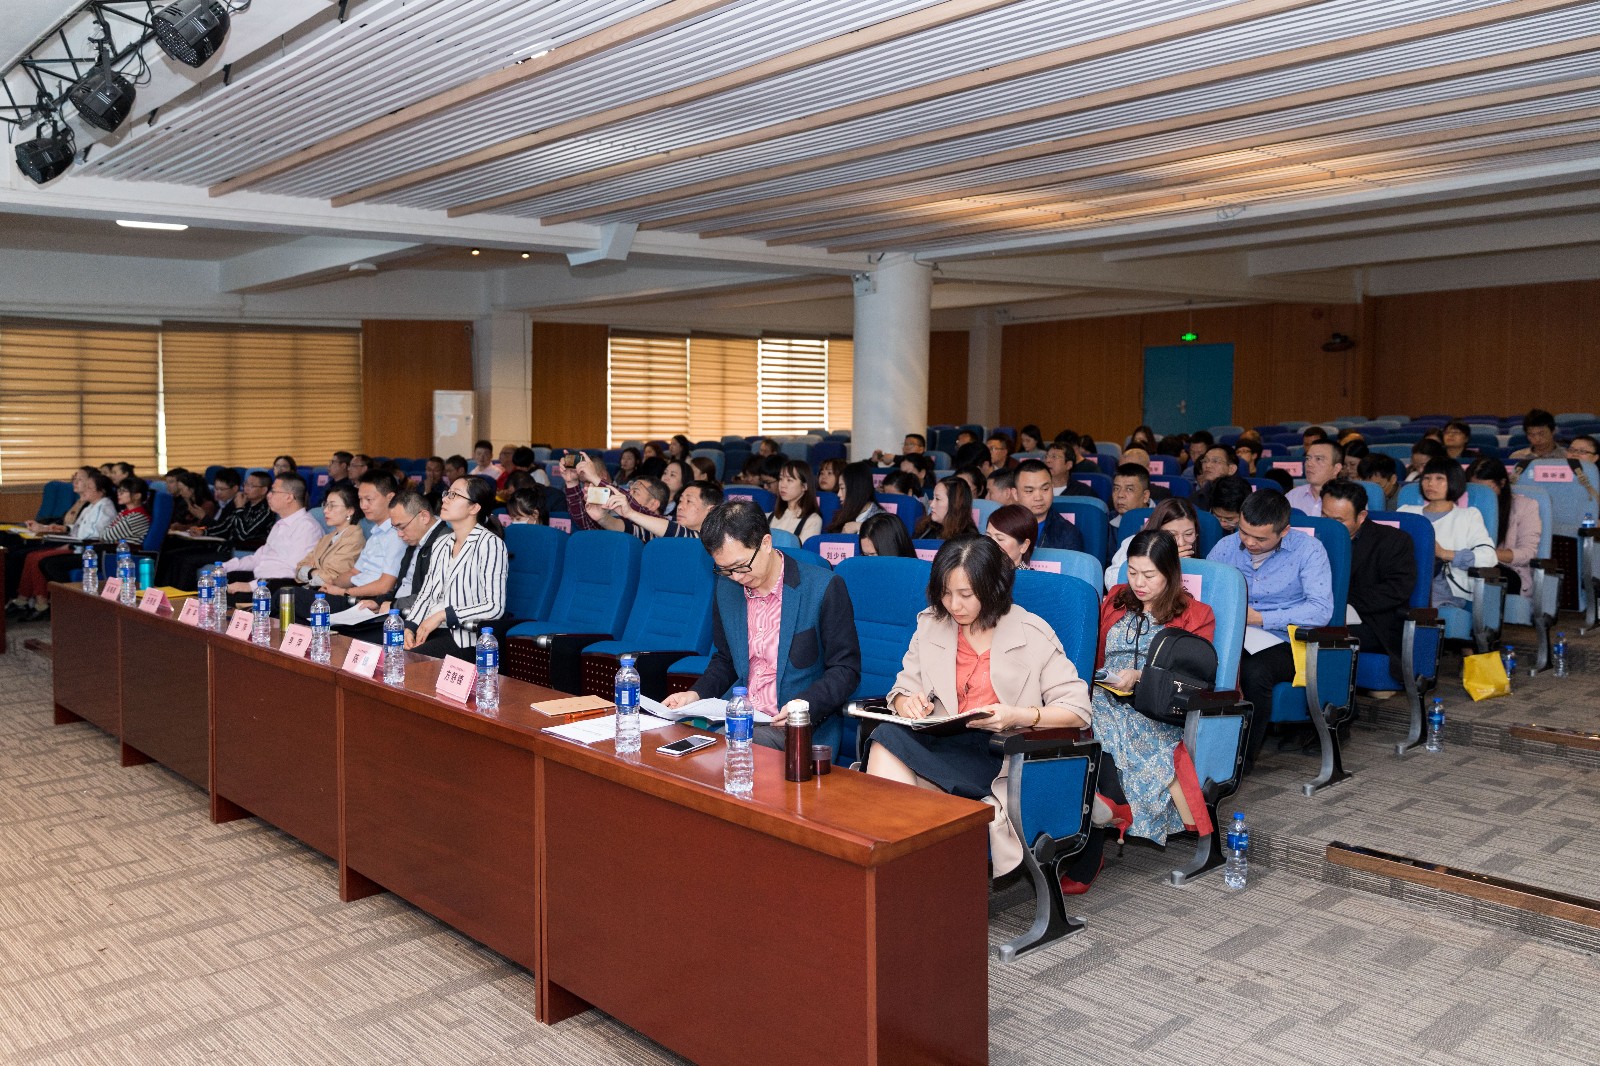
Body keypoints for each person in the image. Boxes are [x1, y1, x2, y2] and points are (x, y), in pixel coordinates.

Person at [864, 537, 1091, 876]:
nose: (954, 605)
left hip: (998, 752)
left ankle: (905, 879)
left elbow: (1078, 710)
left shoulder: (1032, 632)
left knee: (892, 791)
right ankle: (910, 878)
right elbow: (902, 687)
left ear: (992, 588)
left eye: (966, 595)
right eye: (945, 593)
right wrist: (905, 701)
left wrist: (1017, 716)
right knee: (886, 737)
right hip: (941, 741)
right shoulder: (932, 624)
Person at [663, 501, 861, 747]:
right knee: (673, 743)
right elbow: (726, 660)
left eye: (741, 566)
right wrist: (695, 694)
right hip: (740, 718)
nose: (737, 577)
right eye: (725, 569)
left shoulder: (823, 588)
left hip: (795, 727)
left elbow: (845, 670)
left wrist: (804, 705)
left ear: (766, 543)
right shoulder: (727, 588)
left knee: (726, 750)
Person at [1091, 529, 1216, 845]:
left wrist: (1141, 676)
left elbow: (1190, 681)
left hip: (1156, 707)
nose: (1138, 583)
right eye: (1132, 572)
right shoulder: (1116, 599)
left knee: (1094, 711)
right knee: (1084, 704)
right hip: (1105, 692)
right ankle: (1109, 803)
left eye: (1149, 575)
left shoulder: (1196, 615)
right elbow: (1095, 652)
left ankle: (1111, 803)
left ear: (1170, 573)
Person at [1207, 489, 1333, 772]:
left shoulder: (1309, 551)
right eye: (1244, 532)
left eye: (1261, 538)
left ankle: (1240, 761)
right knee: (1200, 658)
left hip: (1288, 640)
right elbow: (1207, 595)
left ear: (1284, 531)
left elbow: (1320, 610)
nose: (1249, 542)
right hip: (1232, 635)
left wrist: (1262, 618)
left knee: (1253, 671)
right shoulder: (1225, 547)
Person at [1320, 480, 1415, 683]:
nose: (1330, 526)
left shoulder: (1394, 540)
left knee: (1320, 637)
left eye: (1338, 520)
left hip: (1371, 621)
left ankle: (1332, 697)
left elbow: (1396, 589)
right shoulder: (1314, 537)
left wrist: (1343, 602)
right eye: (1324, 517)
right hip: (1317, 612)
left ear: (1361, 516)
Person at [403, 476, 508, 660]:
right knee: (390, 651)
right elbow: (426, 593)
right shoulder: (441, 543)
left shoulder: (490, 544)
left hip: (465, 637)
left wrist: (444, 615)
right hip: (431, 629)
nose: (445, 499)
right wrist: (410, 627)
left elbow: (494, 607)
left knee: (409, 661)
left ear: (474, 508)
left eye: (454, 495)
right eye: (447, 493)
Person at [25, 479, 154, 621]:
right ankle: (69, 603)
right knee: (45, 562)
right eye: (119, 490)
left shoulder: (138, 516)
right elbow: (106, 534)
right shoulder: (125, 513)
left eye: (123, 491)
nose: (119, 493)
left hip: (116, 556)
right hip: (104, 551)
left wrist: (108, 536)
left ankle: (75, 604)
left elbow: (105, 535)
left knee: (52, 564)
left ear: (137, 496)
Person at [5, 472, 116, 619]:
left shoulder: (105, 507)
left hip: (85, 550)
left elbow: (94, 535)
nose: (85, 489)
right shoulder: (91, 506)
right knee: (32, 556)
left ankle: (48, 604)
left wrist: (69, 545)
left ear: (101, 491)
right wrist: (65, 529)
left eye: (89, 487)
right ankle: (24, 600)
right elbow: (79, 528)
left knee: (41, 560)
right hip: (75, 544)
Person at [1399, 456, 1498, 609]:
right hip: (1402, 583)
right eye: (1427, 478)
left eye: (1439, 478)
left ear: (1454, 482)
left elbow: (1489, 557)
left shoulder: (1468, 516)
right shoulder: (1406, 512)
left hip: (1443, 591)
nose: (1431, 484)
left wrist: (1444, 553)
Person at [220, 473, 324, 597]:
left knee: (223, 596)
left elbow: (294, 572)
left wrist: (250, 586)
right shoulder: (280, 524)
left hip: (281, 588)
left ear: (289, 497)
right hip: (263, 581)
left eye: (273, 491)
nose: (268, 495)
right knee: (224, 579)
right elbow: (258, 558)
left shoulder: (307, 527)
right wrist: (224, 567)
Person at [309, 472, 402, 606]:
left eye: (369, 499)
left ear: (390, 498)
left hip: (368, 600)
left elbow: (385, 586)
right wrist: (330, 586)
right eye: (360, 499)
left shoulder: (397, 535)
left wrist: (344, 592)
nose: (363, 505)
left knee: (290, 595)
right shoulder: (376, 533)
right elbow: (354, 573)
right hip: (353, 594)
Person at [1467, 457, 1540, 597]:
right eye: (1475, 489)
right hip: (1467, 567)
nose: (1481, 495)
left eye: (1487, 489)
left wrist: (1485, 555)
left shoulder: (1525, 506)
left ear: (1502, 483)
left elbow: (1528, 553)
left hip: (1507, 571)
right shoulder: (1464, 505)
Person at [1104, 496, 1201, 588]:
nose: (1181, 543)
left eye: (1188, 534)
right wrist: (1162, 560)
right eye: (1172, 535)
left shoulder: (1202, 562)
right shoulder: (1134, 543)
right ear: (1157, 530)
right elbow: (1112, 581)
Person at [293, 485, 366, 588]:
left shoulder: (354, 540)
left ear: (350, 511)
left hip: (332, 594)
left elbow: (332, 579)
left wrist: (310, 571)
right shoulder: (327, 538)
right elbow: (299, 568)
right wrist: (316, 572)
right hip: (314, 590)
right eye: (326, 505)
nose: (325, 510)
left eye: (332, 505)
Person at [602, 480, 723, 539]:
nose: (680, 506)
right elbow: (632, 531)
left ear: (710, 511)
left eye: (689, 501)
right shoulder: (668, 533)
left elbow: (674, 530)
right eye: (680, 501)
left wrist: (630, 513)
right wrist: (602, 518)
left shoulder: (713, 539)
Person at [1015, 459, 1083, 552]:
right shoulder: (1002, 527)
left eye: (1045, 489)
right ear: (1015, 494)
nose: (1038, 497)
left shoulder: (1068, 534)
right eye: (1029, 491)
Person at [770, 460, 823, 543]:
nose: (782, 485)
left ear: (804, 486)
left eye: (789, 480)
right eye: (781, 479)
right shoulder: (769, 516)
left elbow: (802, 550)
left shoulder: (813, 520)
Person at [1285, 439, 1342, 517]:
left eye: (1318, 459)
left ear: (1336, 469)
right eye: (1308, 458)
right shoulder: (1292, 496)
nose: (1309, 464)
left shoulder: (1347, 501)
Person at [824, 460, 883, 534]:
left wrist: (862, 527)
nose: (838, 494)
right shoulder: (842, 514)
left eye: (842, 488)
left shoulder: (881, 521)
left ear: (856, 489)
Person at [913, 476, 977, 541]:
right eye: (933, 498)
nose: (931, 505)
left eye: (937, 499)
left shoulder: (968, 539)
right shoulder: (927, 528)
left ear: (955, 504)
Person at [985, 503, 1037, 569]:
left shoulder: (1030, 575)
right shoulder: (977, 571)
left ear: (1024, 546)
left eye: (1000, 538)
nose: (991, 543)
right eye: (988, 536)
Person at [1110, 463, 1153, 531]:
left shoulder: (1163, 521)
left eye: (1129, 489)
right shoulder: (1106, 520)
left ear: (1145, 496)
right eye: (1116, 489)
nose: (1120, 495)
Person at [1193, 444, 1238, 509]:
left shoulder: (1243, 497)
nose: (1207, 465)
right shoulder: (1196, 499)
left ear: (1231, 469)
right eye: (1205, 461)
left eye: (1215, 461)